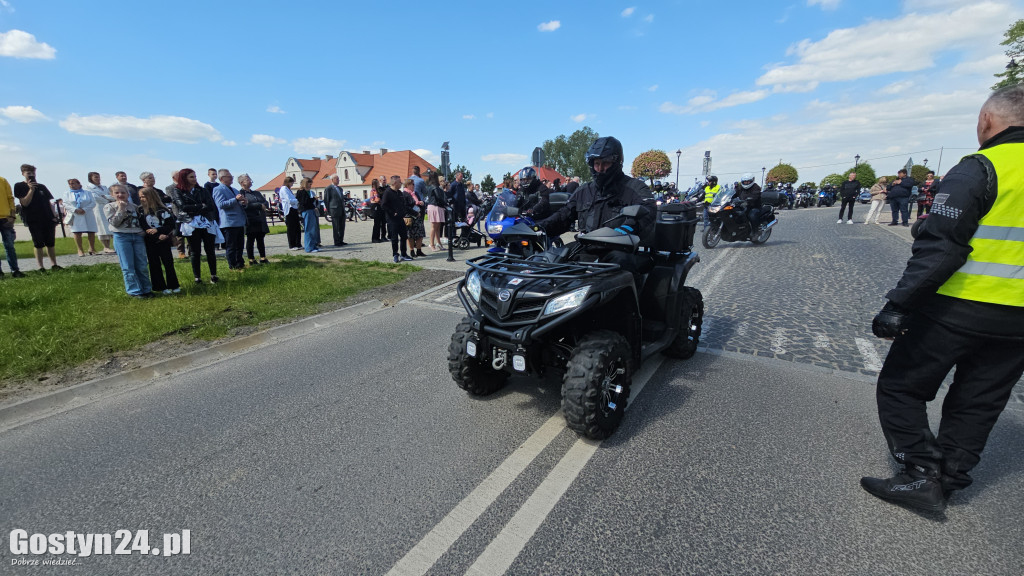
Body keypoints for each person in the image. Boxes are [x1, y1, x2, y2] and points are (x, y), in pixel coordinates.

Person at [862, 84, 1024, 513]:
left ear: (989, 120)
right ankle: (948, 479)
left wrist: (899, 303)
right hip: (1019, 323)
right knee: (979, 400)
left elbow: (942, 247)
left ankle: (920, 473)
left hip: (958, 305)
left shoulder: (983, 166)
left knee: (901, 386)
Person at [538, 136, 655, 285]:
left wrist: (626, 228)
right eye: (596, 164)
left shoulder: (635, 188)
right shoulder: (584, 191)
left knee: (620, 268)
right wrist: (539, 227)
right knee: (548, 259)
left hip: (619, 250)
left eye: (605, 163)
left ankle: (629, 308)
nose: (600, 169)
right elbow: (564, 215)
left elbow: (648, 212)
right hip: (586, 247)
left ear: (617, 162)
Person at [172, 168, 221, 284]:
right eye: (191, 177)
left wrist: (196, 207)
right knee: (195, 251)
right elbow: (182, 207)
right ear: (184, 178)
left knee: (210, 250)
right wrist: (200, 206)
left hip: (206, 222)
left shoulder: (202, 190)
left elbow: (210, 205)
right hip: (190, 223)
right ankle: (197, 277)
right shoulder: (178, 191)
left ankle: (214, 275)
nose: (194, 179)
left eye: (195, 177)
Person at [105, 184, 153, 298]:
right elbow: (114, 223)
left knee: (141, 264)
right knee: (128, 265)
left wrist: (143, 231)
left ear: (128, 194)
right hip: (122, 237)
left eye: (123, 192)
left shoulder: (135, 207)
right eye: (117, 193)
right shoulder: (109, 207)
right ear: (112, 195)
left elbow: (141, 221)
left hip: (137, 237)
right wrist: (121, 209)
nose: (120, 195)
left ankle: (146, 289)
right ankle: (134, 291)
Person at [13, 164, 61, 271]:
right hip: (33, 218)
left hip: (47, 218)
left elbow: (49, 203)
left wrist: (54, 216)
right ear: (23, 174)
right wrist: (31, 190)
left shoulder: (42, 187)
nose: (31, 175)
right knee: (38, 243)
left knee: (50, 242)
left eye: (33, 173)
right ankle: (41, 266)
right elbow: (24, 203)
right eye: (28, 173)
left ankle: (54, 264)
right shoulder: (19, 186)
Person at [138, 186, 180, 294]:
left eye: (144, 196)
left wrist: (161, 232)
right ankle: (160, 287)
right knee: (154, 264)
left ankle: (174, 285)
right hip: (150, 241)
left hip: (164, 240)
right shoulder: (141, 210)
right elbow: (144, 226)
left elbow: (170, 224)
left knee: (168, 263)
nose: (142, 199)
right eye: (140, 197)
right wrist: (155, 234)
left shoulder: (163, 210)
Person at [213, 169, 247, 269]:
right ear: (222, 178)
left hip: (239, 221)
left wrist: (243, 202)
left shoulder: (235, 190)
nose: (232, 178)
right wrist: (235, 199)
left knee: (240, 245)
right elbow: (221, 204)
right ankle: (233, 265)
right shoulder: (218, 189)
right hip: (229, 222)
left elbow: (238, 203)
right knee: (231, 246)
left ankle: (240, 263)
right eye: (229, 176)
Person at [239, 174, 270, 265]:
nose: (250, 181)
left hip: (260, 219)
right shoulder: (241, 194)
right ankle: (251, 259)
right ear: (242, 183)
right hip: (250, 220)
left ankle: (263, 257)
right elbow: (245, 205)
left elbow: (265, 202)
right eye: (247, 179)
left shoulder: (256, 193)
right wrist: (259, 205)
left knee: (260, 239)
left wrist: (262, 204)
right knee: (251, 239)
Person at [84, 172, 117, 254]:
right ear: (91, 178)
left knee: (108, 226)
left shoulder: (104, 187)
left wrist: (106, 197)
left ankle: (108, 246)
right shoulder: (88, 188)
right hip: (98, 208)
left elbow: (111, 196)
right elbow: (95, 198)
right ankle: (105, 247)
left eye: (98, 177)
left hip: (108, 207)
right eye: (95, 177)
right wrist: (106, 198)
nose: (98, 179)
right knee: (101, 227)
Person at [64, 178, 98, 256]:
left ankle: (92, 248)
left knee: (91, 231)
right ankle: (80, 249)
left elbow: (93, 203)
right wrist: (75, 209)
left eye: (73, 183)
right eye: (70, 184)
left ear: (79, 184)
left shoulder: (87, 193)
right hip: (76, 215)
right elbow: (66, 204)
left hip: (87, 214)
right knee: (77, 232)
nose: (71, 185)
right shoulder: (67, 193)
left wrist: (85, 209)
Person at [381, 175, 412, 262]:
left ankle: (404, 254)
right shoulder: (388, 192)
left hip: (400, 218)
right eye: (399, 182)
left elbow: (403, 205)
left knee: (404, 236)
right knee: (394, 238)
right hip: (392, 219)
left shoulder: (399, 193)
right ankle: (395, 254)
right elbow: (383, 205)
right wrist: (392, 212)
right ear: (394, 183)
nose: (401, 183)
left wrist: (412, 213)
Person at [0, 174, 24, 278]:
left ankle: (15, 270)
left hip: (5, 218)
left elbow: (10, 198)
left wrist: (13, 215)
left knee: (9, 246)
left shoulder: (3, 180)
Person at [295, 177, 321, 253]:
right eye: (309, 184)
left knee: (313, 229)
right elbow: (304, 202)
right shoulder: (301, 192)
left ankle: (313, 246)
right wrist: (313, 199)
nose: (310, 186)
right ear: (305, 184)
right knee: (308, 229)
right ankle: (309, 247)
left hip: (311, 210)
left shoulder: (308, 191)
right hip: (306, 211)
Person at [165, 171, 187, 259]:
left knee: (190, 232)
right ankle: (181, 252)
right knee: (179, 234)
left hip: (188, 212)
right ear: (174, 177)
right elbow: (172, 199)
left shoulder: (186, 186)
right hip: (177, 212)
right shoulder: (169, 188)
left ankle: (191, 250)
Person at [403, 178, 426, 258]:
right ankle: (412, 250)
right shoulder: (405, 194)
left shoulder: (415, 193)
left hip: (418, 216)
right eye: (412, 184)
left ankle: (419, 250)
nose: (414, 186)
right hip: (410, 217)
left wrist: (422, 203)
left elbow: (420, 200)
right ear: (407, 185)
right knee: (410, 235)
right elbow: (405, 207)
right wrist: (415, 213)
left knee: (420, 234)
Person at [425, 171, 447, 251]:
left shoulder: (432, 186)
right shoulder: (434, 186)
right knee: (434, 227)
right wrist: (445, 204)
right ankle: (431, 244)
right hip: (435, 206)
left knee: (437, 227)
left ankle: (439, 244)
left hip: (436, 206)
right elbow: (438, 197)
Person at [323, 174, 347, 246]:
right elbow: (326, 200)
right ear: (332, 180)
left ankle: (341, 240)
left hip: (341, 209)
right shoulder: (328, 188)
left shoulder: (340, 189)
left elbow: (342, 198)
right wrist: (329, 210)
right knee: (336, 226)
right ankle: (336, 241)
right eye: (337, 179)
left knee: (342, 226)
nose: (338, 180)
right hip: (334, 209)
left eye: (338, 179)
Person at [278, 177, 301, 250]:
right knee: (291, 228)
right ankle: (292, 245)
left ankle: (298, 243)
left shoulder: (288, 189)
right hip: (289, 209)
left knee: (297, 227)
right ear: (287, 182)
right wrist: (297, 201)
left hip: (294, 209)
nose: (292, 184)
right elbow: (289, 200)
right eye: (291, 183)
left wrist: (295, 201)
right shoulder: (284, 189)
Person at [368, 178, 387, 243]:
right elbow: (372, 199)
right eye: (378, 183)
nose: (379, 184)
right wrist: (378, 200)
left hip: (379, 207)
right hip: (375, 207)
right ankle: (374, 238)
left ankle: (378, 237)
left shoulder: (377, 190)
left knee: (379, 223)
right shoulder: (373, 191)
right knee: (376, 224)